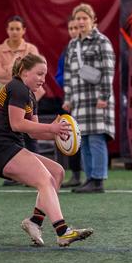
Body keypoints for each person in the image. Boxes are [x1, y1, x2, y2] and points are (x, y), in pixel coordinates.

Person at [0, 53, 93, 247]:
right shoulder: (17, 88)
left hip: (9, 148)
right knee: (45, 179)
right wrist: (51, 128)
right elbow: (17, 124)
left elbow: (33, 132)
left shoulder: (29, 95)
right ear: (24, 72)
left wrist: (58, 134)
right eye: (39, 74)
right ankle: (63, 231)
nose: (43, 79)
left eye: (45, 75)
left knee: (56, 172)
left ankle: (34, 222)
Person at [62, 3, 116, 193]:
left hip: (96, 99)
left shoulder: (102, 41)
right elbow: (68, 73)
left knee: (96, 139)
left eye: (85, 18)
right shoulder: (73, 44)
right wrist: (67, 98)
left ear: (93, 21)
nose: (82, 21)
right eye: (79, 18)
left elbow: (108, 70)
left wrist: (105, 96)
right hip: (79, 100)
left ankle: (98, 179)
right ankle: (89, 178)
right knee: (82, 139)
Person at [0, 15, 45, 186]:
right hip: (6, 97)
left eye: (17, 28)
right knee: (11, 134)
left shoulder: (31, 48)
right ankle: (16, 174)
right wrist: (18, 73)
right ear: (7, 30)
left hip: (29, 96)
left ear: (24, 31)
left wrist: (14, 72)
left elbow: (36, 71)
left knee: (31, 135)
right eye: (11, 28)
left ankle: (36, 173)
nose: (14, 32)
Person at [54, 16, 82, 188]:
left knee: (88, 137)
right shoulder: (67, 50)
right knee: (72, 135)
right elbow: (59, 75)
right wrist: (67, 82)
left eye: (75, 28)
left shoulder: (89, 47)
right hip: (70, 99)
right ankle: (75, 175)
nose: (73, 32)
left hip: (87, 99)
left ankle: (94, 175)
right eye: (70, 28)